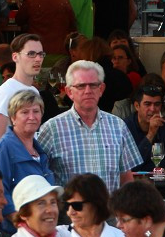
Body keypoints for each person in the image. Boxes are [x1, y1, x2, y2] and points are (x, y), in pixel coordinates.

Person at [37, 60, 142, 192]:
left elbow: (126, 178)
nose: (88, 91)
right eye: (81, 86)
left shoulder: (118, 126)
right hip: (70, 211)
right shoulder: (52, 129)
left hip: (109, 211)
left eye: (93, 85)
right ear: (69, 92)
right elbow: (38, 176)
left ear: (101, 89)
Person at [0, 90, 55, 224]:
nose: (31, 117)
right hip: (15, 233)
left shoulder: (40, 150)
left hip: (41, 228)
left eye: (36, 111)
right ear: (13, 118)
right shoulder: (4, 148)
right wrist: (21, 224)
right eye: (24, 112)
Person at [0, 33, 43, 148]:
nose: (38, 59)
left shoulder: (34, 90)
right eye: (31, 54)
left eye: (41, 54)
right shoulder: (6, 91)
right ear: (15, 57)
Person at [124, 82, 165, 172]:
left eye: (157, 104)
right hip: (134, 183)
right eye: (147, 104)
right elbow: (131, 165)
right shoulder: (125, 126)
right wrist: (151, 134)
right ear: (137, 106)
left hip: (160, 183)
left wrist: (146, 167)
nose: (152, 109)